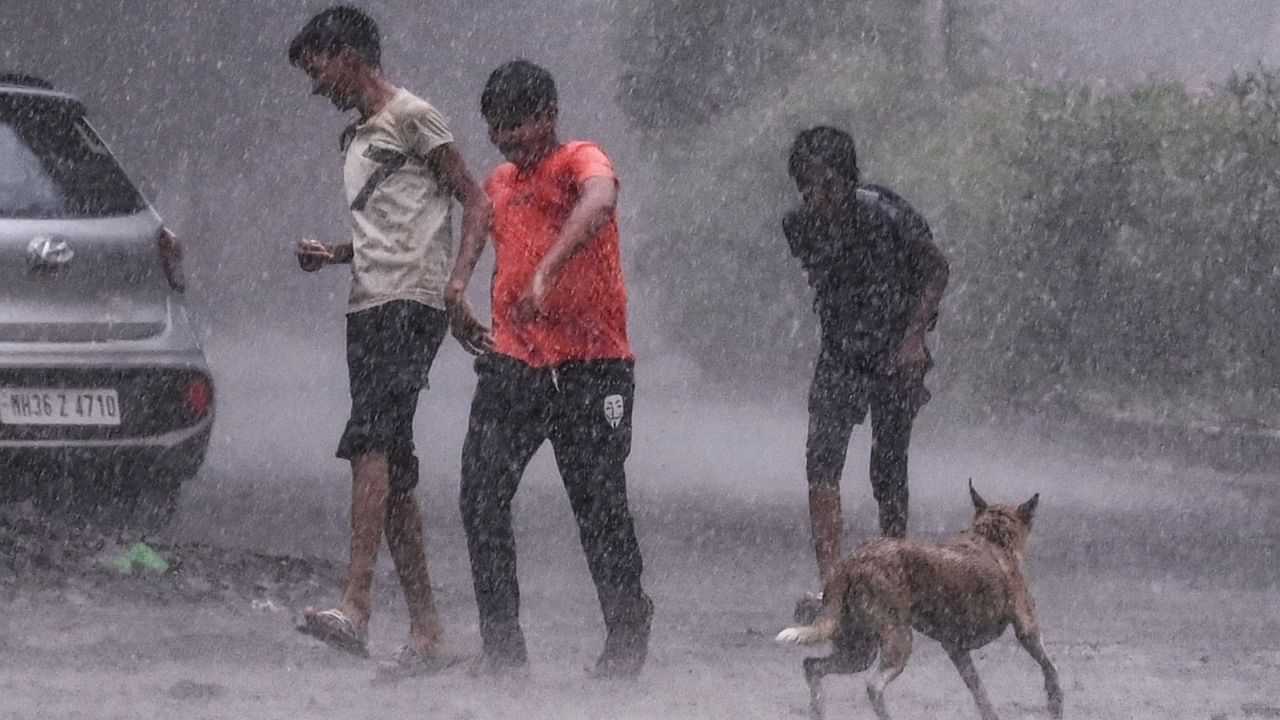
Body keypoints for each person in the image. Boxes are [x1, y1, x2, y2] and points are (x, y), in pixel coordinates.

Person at [286, 5, 493, 670]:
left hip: (411, 304)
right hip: (368, 302)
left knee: (369, 437)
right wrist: (337, 253)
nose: (316, 87)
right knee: (394, 469)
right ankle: (429, 630)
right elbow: (396, 222)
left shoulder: (413, 115)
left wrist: (457, 286)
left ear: (348, 54)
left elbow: (475, 198)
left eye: (318, 69)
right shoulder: (358, 137)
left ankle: (357, 603)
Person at [447, 59, 652, 678]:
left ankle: (626, 629)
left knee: (598, 505)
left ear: (548, 116)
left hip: (592, 368)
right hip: (514, 364)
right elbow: (476, 225)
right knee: (480, 497)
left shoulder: (580, 161)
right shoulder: (500, 183)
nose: (506, 139)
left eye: (516, 125)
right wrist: (456, 291)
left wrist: (549, 268)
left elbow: (600, 200)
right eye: (495, 129)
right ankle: (502, 648)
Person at [784, 126, 949, 619]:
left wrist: (915, 336)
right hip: (841, 352)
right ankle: (833, 587)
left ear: (849, 181)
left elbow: (937, 269)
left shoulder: (887, 216)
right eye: (806, 188)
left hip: (895, 351)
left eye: (828, 187)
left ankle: (897, 576)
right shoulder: (799, 227)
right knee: (821, 461)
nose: (818, 199)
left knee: (888, 466)